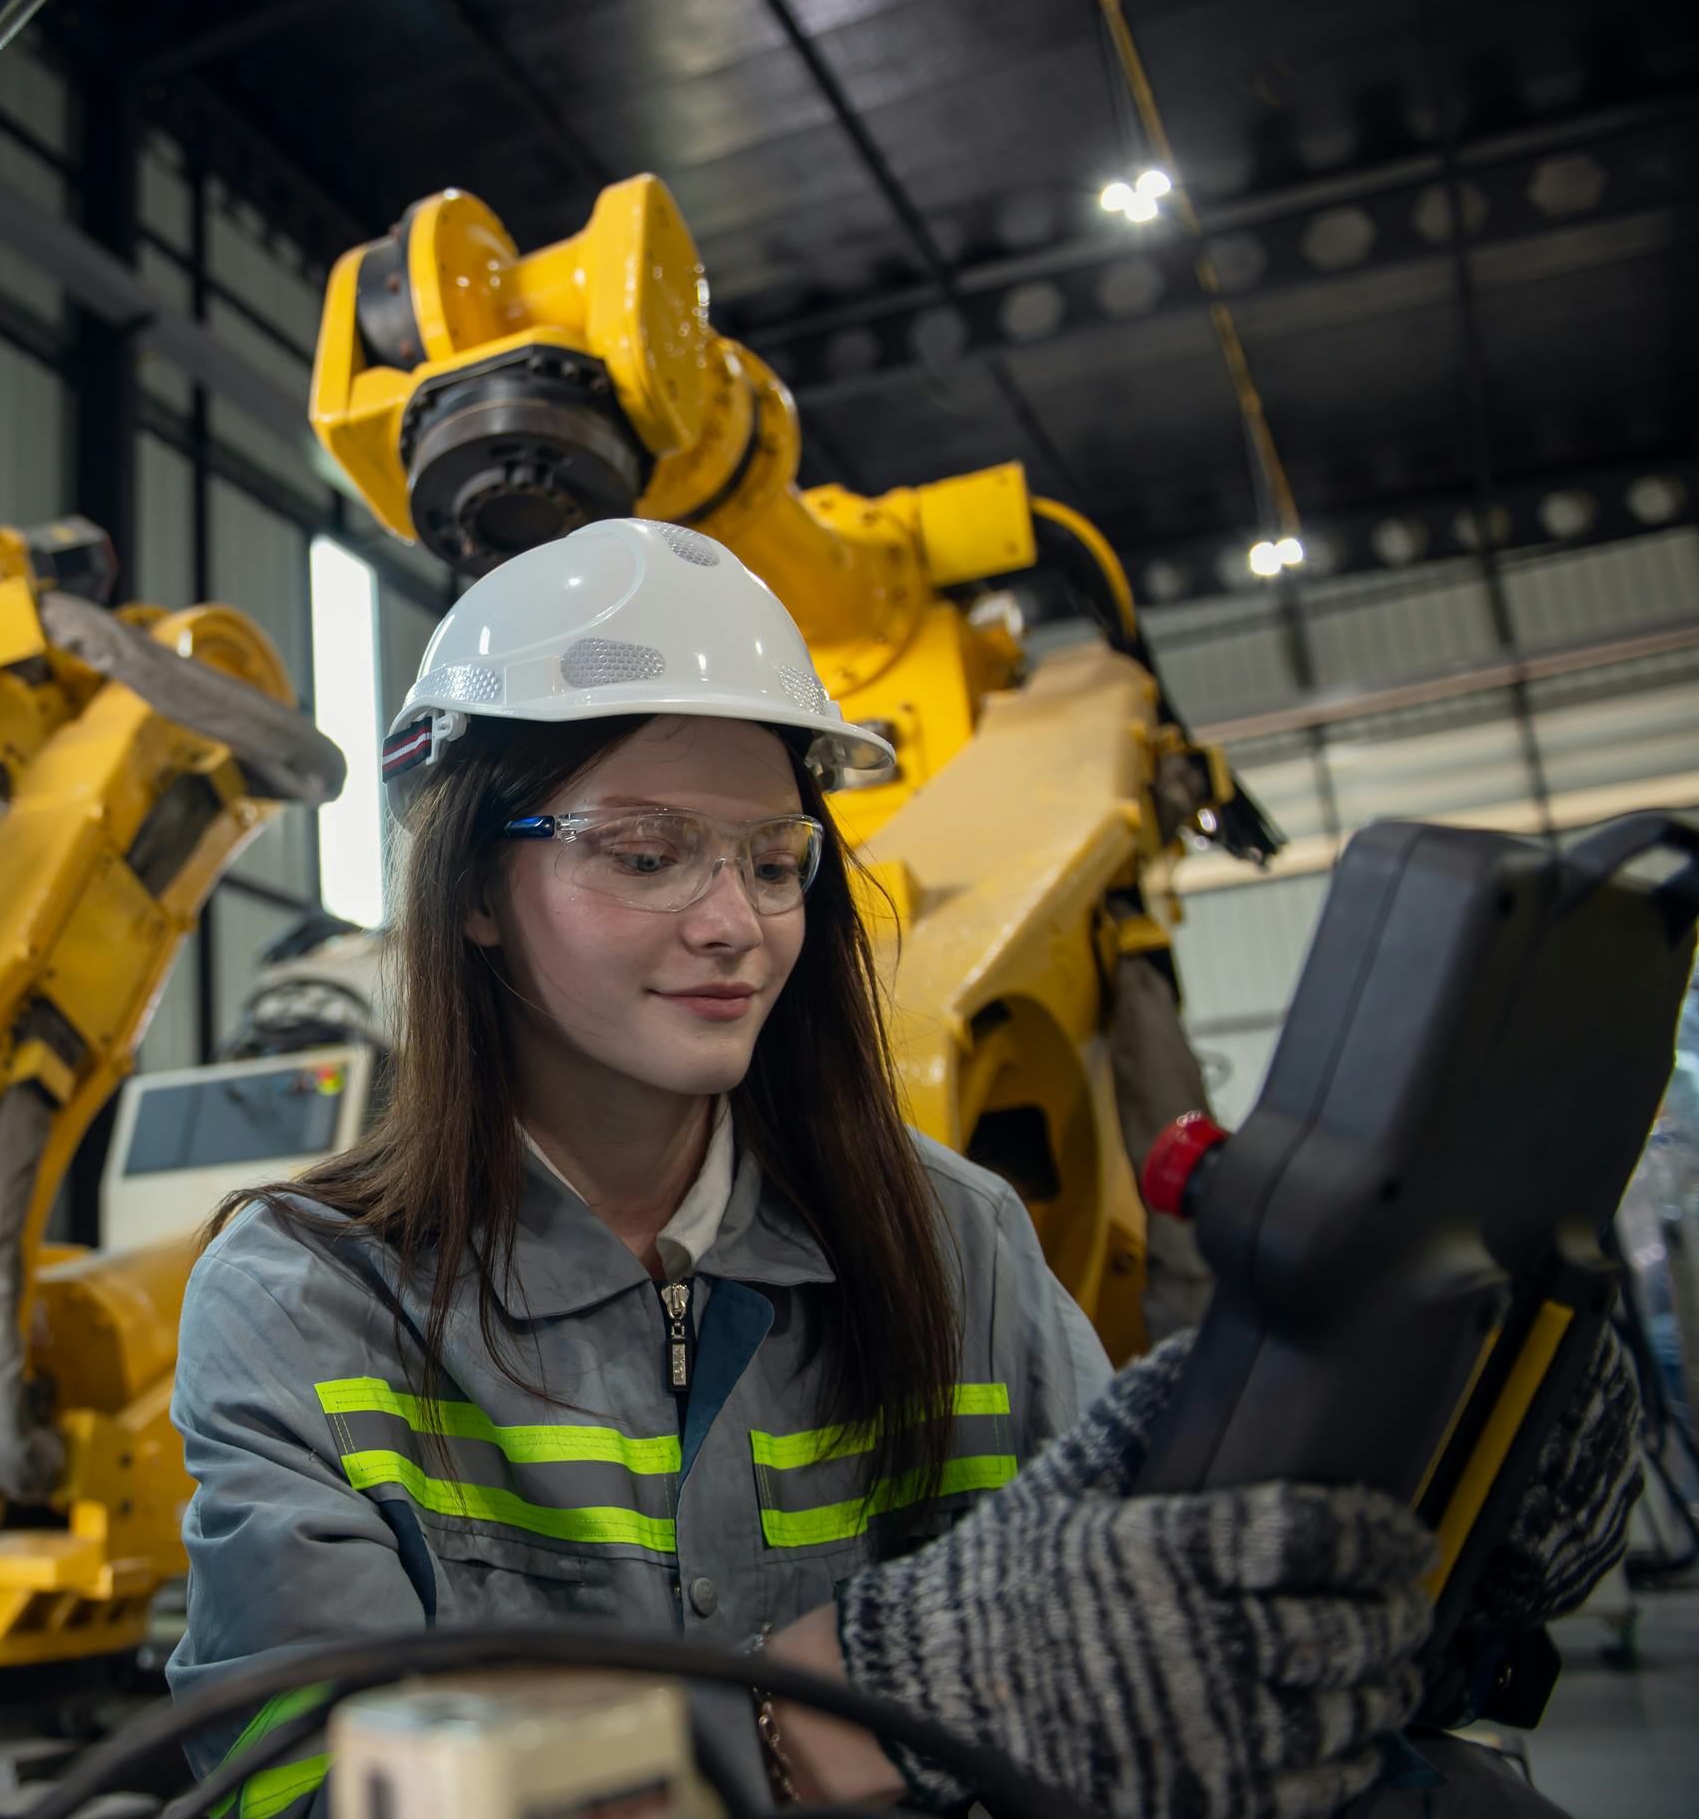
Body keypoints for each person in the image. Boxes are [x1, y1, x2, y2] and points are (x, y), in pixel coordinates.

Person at [165, 518, 1643, 1819]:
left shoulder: (957, 1243)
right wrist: (830, 1710)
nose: (734, 921)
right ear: (478, 887)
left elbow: (1132, 1627)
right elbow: (299, 1785)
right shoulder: (306, 1300)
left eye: (768, 856)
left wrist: (1461, 1464)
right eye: (644, 852)